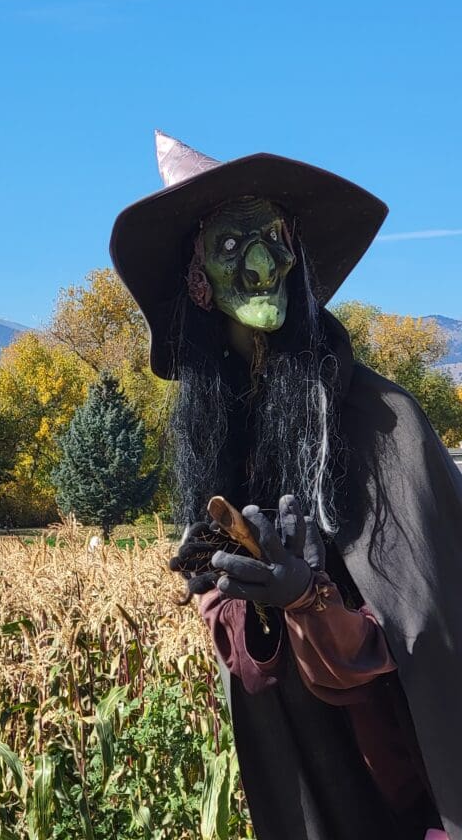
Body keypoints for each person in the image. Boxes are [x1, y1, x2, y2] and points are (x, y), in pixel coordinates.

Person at [108, 131, 462, 840]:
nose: (262, 261)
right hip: (318, 781)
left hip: (412, 791)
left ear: (296, 252)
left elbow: (430, 636)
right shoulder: (222, 434)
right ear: (196, 279)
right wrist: (231, 595)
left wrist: (311, 600)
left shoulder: (381, 422)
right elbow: (251, 663)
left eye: (271, 236)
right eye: (232, 246)